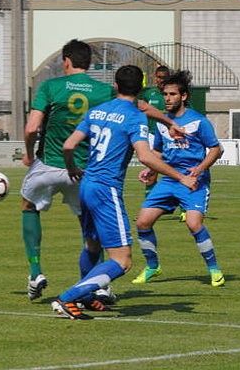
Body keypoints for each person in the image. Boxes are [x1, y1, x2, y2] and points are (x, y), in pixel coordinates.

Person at [21, 39, 184, 302]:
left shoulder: (50, 86)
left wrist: (29, 156)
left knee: (29, 206)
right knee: (93, 239)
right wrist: (169, 122)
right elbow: (139, 107)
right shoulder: (104, 92)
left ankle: (36, 271)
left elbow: (32, 129)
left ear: (66, 61)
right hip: (89, 172)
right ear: (90, 63)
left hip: (53, 162)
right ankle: (93, 288)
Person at [50, 65, 197, 320]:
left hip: (86, 185)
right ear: (141, 89)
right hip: (106, 189)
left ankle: (86, 297)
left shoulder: (96, 111)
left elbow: (68, 145)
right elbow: (145, 156)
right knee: (123, 261)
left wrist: (73, 168)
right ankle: (68, 297)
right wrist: (180, 176)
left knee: (92, 247)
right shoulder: (133, 117)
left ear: (116, 86)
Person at [131, 70, 225, 288]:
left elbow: (215, 150)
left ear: (183, 96)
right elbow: (158, 153)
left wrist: (199, 169)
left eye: (172, 94)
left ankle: (214, 269)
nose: (167, 98)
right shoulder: (162, 123)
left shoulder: (198, 121)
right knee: (143, 222)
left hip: (194, 181)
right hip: (170, 180)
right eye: (165, 94)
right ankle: (153, 266)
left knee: (193, 223)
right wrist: (151, 171)